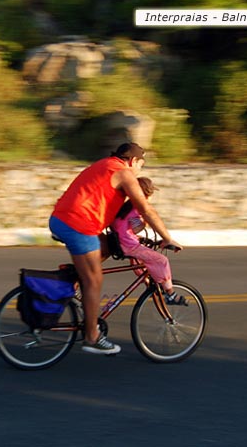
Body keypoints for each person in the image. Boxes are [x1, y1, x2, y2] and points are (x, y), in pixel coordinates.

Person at [49, 143, 183, 355]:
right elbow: (145, 209)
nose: (139, 170)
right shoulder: (124, 173)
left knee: (108, 246)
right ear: (133, 161)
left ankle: (74, 282)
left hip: (61, 218)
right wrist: (167, 238)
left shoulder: (104, 164)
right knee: (94, 279)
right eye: (141, 165)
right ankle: (92, 336)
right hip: (78, 225)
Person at [111, 177, 187, 306]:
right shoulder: (138, 207)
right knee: (161, 260)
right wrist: (146, 223)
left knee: (140, 263)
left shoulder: (127, 206)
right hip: (128, 245)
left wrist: (142, 238)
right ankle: (170, 294)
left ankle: (148, 284)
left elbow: (128, 229)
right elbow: (138, 227)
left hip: (120, 241)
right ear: (146, 194)